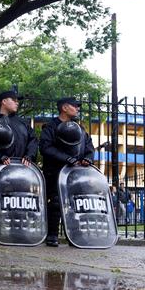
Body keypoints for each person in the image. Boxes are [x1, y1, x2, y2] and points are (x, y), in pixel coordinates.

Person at [0, 90, 38, 244]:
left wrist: (29, 156)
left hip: (19, 170)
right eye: (14, 100)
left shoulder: (22, 122)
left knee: (18, 199)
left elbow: (33, 141)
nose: (17, 102)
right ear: (4, 101)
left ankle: (17, 231)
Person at [39, 97, 95, 247]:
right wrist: (67, 158)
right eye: (75, 106)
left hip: (77, 174)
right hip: (55, 171)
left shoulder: (80, 129)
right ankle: (52, 235)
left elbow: (89, 147)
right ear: (64, 107)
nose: (78, 109)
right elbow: (46, 148)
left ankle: (76, 236)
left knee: (77, 203)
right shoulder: (50, 127)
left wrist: (88, 159)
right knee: (56, 203)